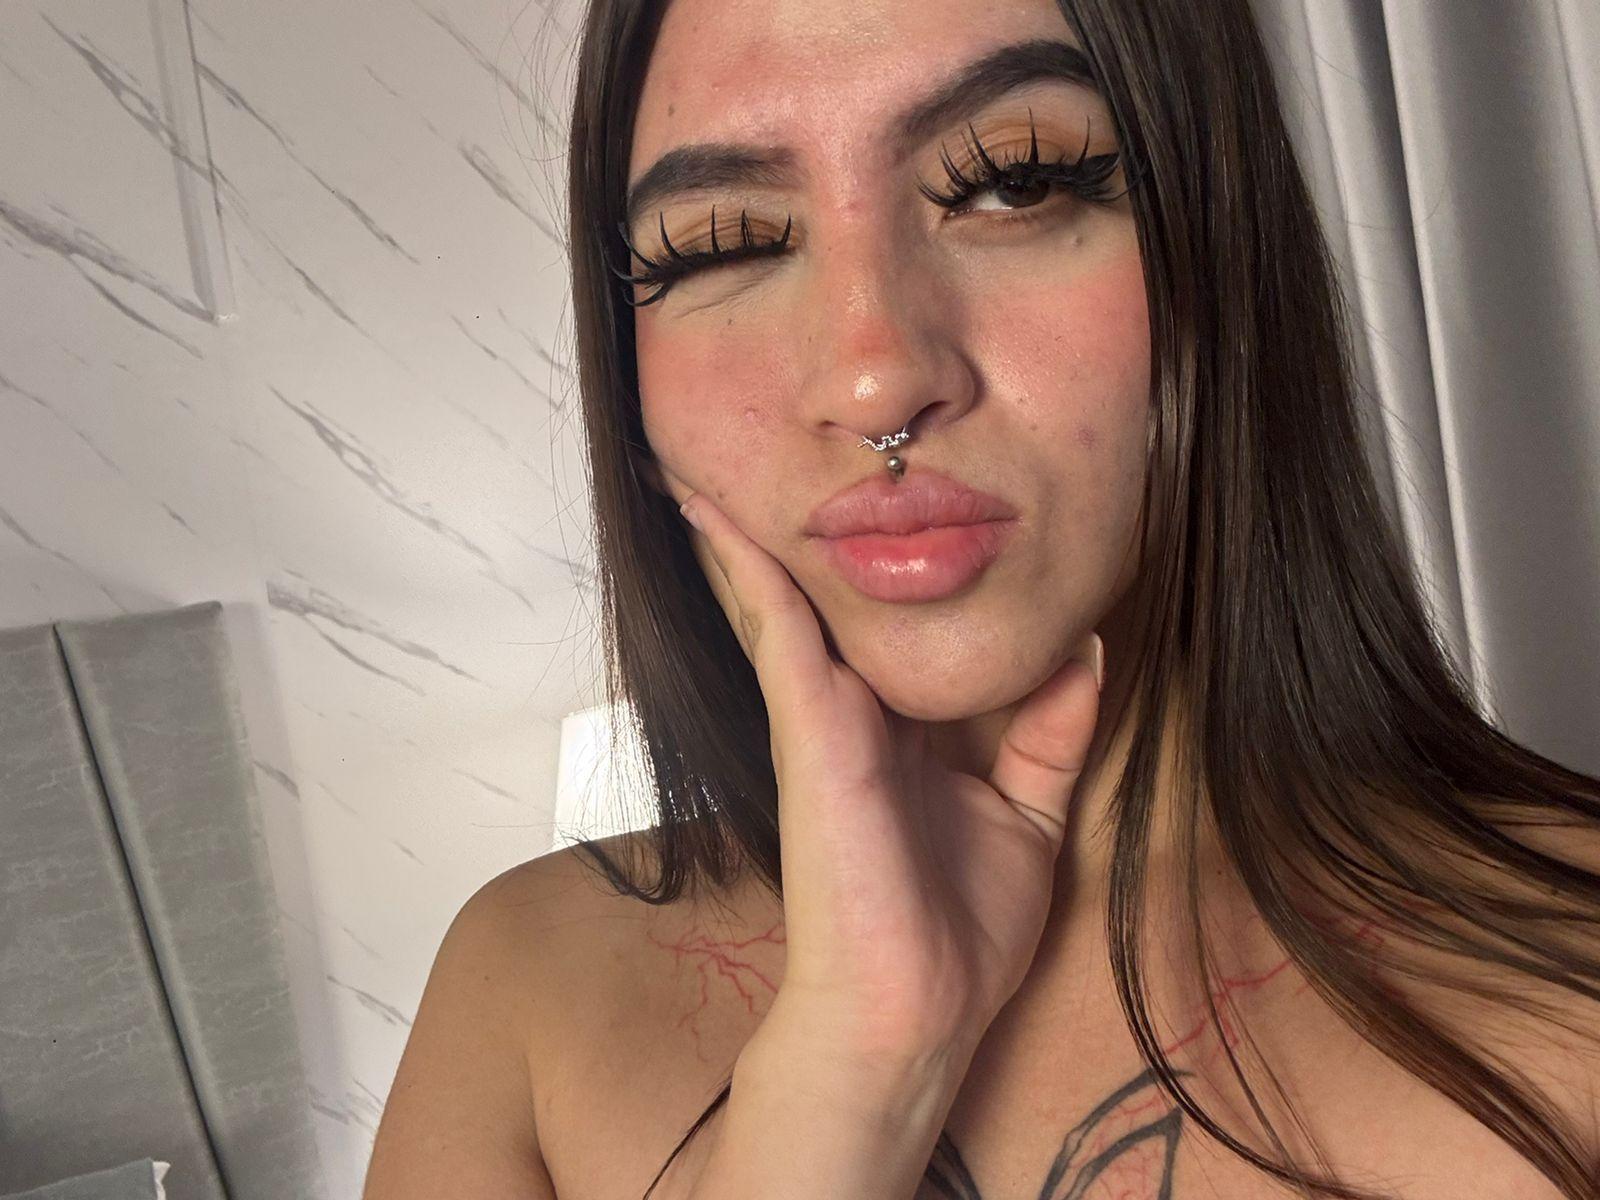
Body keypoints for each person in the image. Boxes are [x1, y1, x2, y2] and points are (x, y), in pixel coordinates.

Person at [362, 0, 1600, 1197]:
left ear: (1221, 252)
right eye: (725, 243)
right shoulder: (524, 996)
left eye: (1014, 182)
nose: (873, 379)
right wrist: (855, 1074)